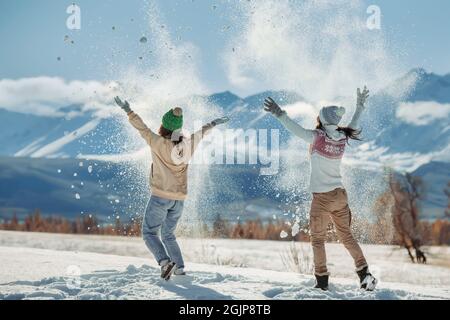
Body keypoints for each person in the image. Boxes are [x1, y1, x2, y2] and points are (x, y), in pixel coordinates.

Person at [263, 87, 377, 291]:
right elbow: (354, 123)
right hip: (340, 196)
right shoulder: (342, 136)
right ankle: (364, 273)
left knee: (317, 240)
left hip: (322, 198)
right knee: (347, 236)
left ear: (323, 120)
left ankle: (322, 282)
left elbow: (293, 128)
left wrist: (279, 113)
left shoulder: (317, 137)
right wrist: (359, 106)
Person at [115, 96, 229, 280]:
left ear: (163, 126)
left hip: (160, 197)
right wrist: (214, 123)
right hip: (179, 200)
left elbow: (141, 127)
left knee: (149, 233)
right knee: (168, 234)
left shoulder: (157, 142)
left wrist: (128, 110)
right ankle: (179, 269)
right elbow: (200, 133)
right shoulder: (187, 145)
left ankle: (164, 262)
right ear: (179, 129)